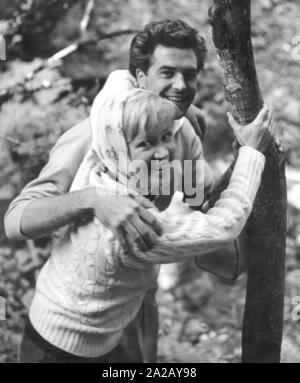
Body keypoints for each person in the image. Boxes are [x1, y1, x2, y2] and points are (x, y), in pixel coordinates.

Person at [4, 19, 275, 362]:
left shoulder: (184, 129)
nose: (181, 85)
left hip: (135, 303)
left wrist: (244, 155)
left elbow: (200, 199)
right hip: (73, 314)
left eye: (189, 75)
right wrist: (93, 200)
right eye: (167, 72)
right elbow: (15, 222)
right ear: (139, 76)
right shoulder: (91, 135)